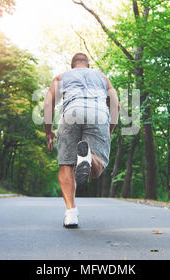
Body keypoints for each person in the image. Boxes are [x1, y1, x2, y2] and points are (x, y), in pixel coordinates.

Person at [44, 53, 119, 228]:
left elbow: (48, 104)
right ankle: (89, 158)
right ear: (88, 64)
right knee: (96, 169)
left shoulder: (62, 76)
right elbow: (115, 104)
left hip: (71, 112)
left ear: (73, 66)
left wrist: (48, 131)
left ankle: (71, 213)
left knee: (66, 164)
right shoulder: (102, 77)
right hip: (98, 113)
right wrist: (109, 129)